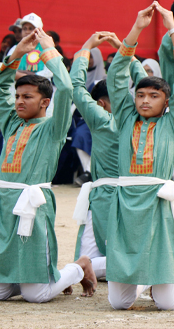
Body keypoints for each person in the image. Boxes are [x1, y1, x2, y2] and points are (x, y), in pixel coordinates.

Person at [0, 28, 97, 303]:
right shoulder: (12, 123)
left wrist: (49, 51)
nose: (19, 101)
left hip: (33, 204)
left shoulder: (54, 127)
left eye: (27, 97)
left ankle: (78, 268)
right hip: (3, 203)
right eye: (17, 96)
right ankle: (36, 276)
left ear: (45, 102)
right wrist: (16, 54)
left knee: (37, 295)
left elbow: (65, 88)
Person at [105, 1, 174, 310]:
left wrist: (173, 29)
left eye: (153, 96)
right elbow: (114, 76)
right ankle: (144, 279)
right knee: (118, 303)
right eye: (140, 95)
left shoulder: (173, 122)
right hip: (125, 204)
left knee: (168, 304)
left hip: (158, 204)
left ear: (166, 102)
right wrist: (137, 27)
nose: (145, 100)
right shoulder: (125, 118)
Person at [69, 31, 124, 281]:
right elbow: (153, 86)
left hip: (100, 196)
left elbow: (76, 87)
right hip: (130, 197)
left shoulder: (103, 121)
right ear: (103, 104)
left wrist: (87, 46)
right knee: (143, 261)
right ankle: (84, 267)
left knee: (86, 260)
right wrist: (125, 48)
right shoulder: (139, 121)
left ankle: (81, 267)